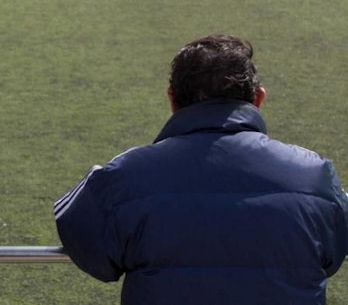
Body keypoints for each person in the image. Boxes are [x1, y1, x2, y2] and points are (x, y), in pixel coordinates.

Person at [54, 34, 348, 304]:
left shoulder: (124, 175)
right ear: (258, 99)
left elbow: (87, 245)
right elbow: (333, 254)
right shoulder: (314, 176)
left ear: (172, 100)